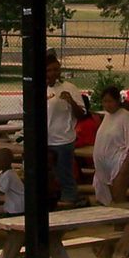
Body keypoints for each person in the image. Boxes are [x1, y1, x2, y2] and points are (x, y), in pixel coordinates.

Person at [45, 50, 85, 207]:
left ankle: (70, 202)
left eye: (55, 69)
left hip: (63, 140)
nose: (53, 73)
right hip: (45, 139)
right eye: (48, 70)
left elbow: (81, 114)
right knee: (46, 176)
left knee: (64, 175)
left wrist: (70, 101)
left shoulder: (69, 88)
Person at [92, 87, 129, 206]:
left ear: (117, 101)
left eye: (110, 101)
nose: (107, 105)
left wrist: (126, 166)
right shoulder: (107, 116)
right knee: (111, 201)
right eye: (104, 102)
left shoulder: (125, 116)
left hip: (119, 163)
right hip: (104, 165)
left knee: (119, 199)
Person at [0, 144, 24, 215]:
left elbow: (1, 191)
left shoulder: (8, 175)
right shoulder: (9, 173)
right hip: (17, 203)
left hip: (16, 206)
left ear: (3, 162)